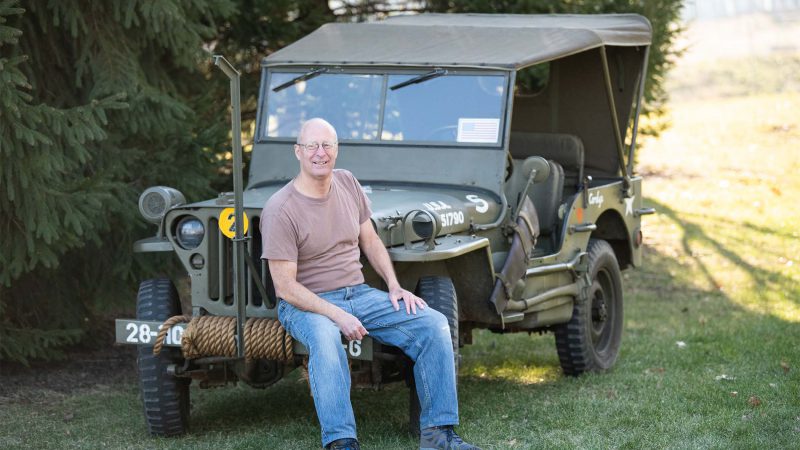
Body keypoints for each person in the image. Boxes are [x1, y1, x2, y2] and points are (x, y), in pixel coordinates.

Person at [261, 118, 481, 450]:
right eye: (312, 146)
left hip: (358, 293)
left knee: (433, 324)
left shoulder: (348, 183)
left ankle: (438, 435)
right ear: (298, 152)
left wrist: (394, 285)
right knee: (324, 337)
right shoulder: (281, 209)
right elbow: (285, 288)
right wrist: (337, 315)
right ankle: (341, 441)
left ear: (336, 150)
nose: (320, 153)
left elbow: (371, 240)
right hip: (306, 303)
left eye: (327, 145)